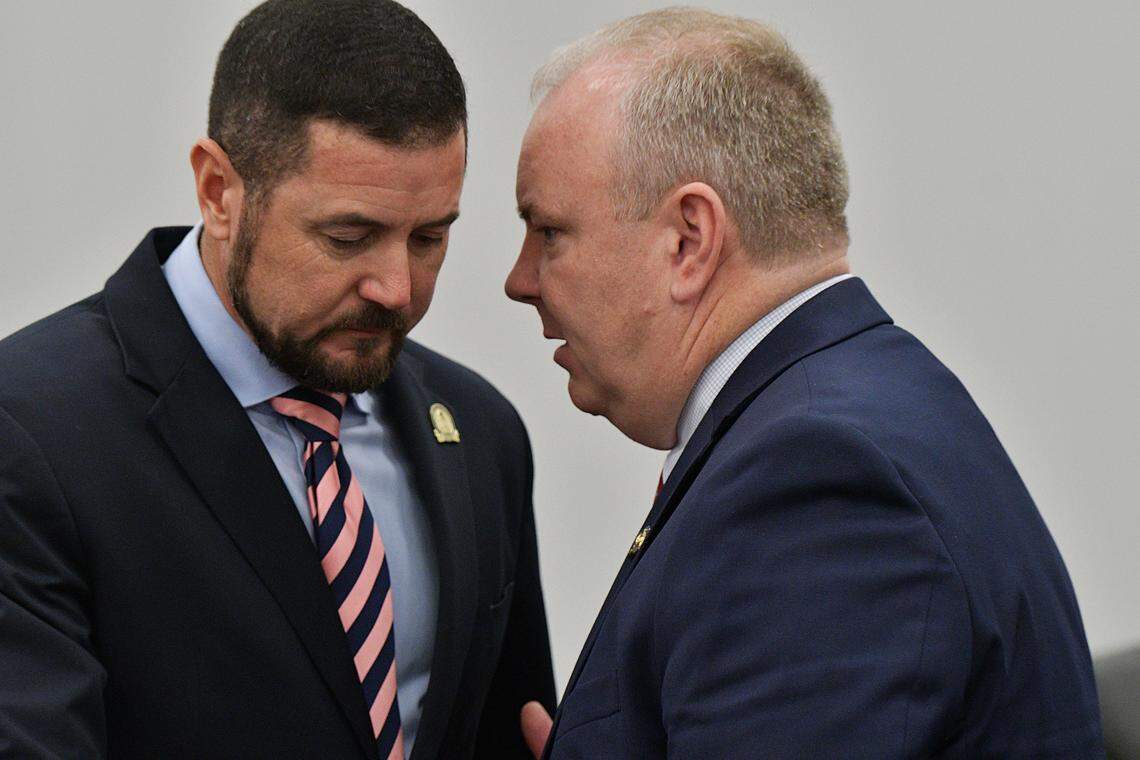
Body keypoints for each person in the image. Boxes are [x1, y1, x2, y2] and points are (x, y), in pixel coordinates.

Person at [506, 8, 1103, 758]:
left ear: (689, 239)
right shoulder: (863, 403)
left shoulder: (814, 479)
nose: (519, 281)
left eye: (549, 231)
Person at [0, 1, 554, 757]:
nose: (395, 288)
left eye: (429, 237)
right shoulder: (30, 431)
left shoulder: (480, 430)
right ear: (218, 191)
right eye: (348, 237)